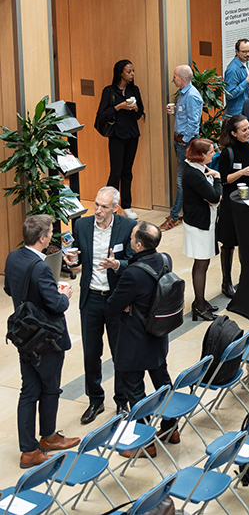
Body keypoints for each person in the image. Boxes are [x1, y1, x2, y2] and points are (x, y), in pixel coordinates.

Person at [4, 215, 80, 468]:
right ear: (43, 238)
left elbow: (9, 289)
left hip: (24, 335)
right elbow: (57, 304)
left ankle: (28, 449)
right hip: (46, 338)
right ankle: (47, 438)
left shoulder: (13, 257)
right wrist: (64, 294)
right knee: (50, 388)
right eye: (49, 233)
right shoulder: (40, 267)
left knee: (28, 390)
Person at [65, 187, 136, 424]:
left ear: (115, 208)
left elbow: (134, 261)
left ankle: (122, 401)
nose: (98, 210)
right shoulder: (82, 225)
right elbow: (77, 254)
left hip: (116, 300)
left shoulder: (127, 227)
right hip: (91, 299)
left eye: (104, 207)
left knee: (120, 353)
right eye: (96, 205)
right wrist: (72, 260)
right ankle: (95, 400)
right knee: (91, 354)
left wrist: (117, 265)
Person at [107, 221, 177, 455]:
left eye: (132, 237)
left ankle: (145, 443)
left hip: (135, 341)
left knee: (136, 392)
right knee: (163, 383)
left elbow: (112, 305)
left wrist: (126, 304)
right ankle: (171, 428)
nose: (129, 239)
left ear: (138, 245)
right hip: (158, 336)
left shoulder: (133, 274)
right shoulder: (165, 260)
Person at [217, 114, 249, 298]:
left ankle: (246, 278)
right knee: (228, 241)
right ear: (234, 133)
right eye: (244, 130)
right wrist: (242, 172)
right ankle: (226, 282)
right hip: (230, 201)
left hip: (247, 199)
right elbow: (223, 179)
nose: (248, 132)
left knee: (246, 240)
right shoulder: (227, 153)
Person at [95, 59, 145, 219]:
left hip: (132, 134)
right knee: (115, 172)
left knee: (127, 172)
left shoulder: (134, 90)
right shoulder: (109, 91)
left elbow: (140, 113)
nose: (132, 74)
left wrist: (135, 108)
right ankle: (109, 205)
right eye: (129, 71)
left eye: (133, 71)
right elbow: (102, 114)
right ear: (120, 73)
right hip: (116, 135)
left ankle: (127, 205)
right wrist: (119, 107)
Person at [181, 138, 222, 321]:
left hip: (202, 220)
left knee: (202, 263)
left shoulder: (198, 168)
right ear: (201, 155)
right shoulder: (194, 174)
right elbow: (214, 197)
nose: (214, 154)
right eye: (211, 151)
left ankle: (201, 300)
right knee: (201, 263)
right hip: (199, 224)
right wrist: (218, 178)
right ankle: (199, 305)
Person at [162, 64, 203, 231]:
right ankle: (184, 213)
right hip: (180, 142)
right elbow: (186, 116)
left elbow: (194, 122)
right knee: (183, 179)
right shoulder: (183, 93)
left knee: (181, 180)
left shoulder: (192, 96)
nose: (173, 79)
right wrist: (174, 113)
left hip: (185, 143)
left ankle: (174, 216)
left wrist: (184, 140)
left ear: (182, 78)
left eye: (174, 76)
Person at [224, 38, 249, 117]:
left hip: (245, 110)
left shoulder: (245, 63)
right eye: (244, 52)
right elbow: (230, 94)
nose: (247, 54)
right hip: (236, 114)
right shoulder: (232, 69)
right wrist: (247, 81)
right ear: (237, 52)